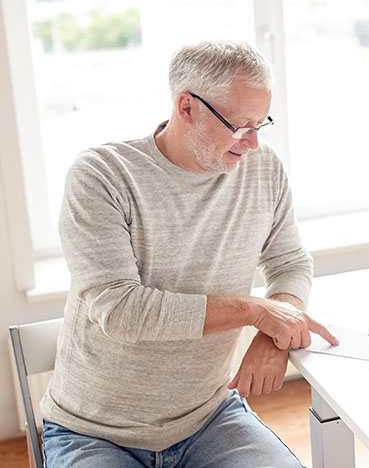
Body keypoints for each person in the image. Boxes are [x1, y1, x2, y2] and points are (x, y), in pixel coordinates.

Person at [41, 40, 338, 468]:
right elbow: (122, 311)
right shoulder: (102, 175)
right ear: (187, 108)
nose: (253, 143)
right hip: (93, 433)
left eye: (261, 124)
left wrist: (276, 329)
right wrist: (258, 312)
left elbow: (289, 263)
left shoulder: (262, 168)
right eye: (240, 125)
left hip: (209, 418)